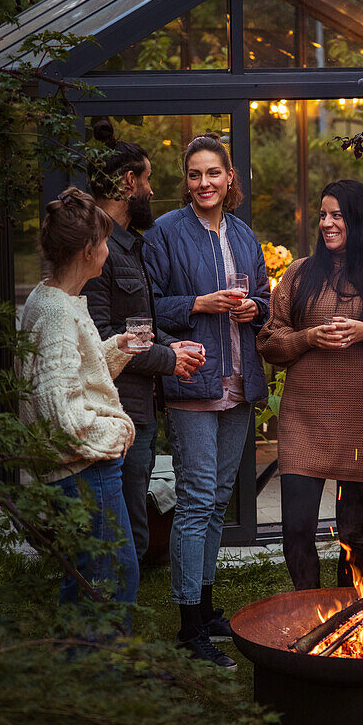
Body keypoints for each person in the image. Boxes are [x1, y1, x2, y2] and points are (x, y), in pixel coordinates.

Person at [144, 133, 270, 668]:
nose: (204, 184)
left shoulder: (244, 234)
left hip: (237, 385)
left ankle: (208, 603)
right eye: (195, 175)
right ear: (185, 179)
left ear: (229, 177)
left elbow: (262, 295)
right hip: (194, 382)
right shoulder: (164, 233)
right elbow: (147, 308)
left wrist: (254, 310)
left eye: (213, 174)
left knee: (218, 500)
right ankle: (188, 622)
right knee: (196, 501)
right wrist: (198, 302)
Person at [256, 179, 363, 591]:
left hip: (361, 420)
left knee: (354, 535)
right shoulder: (300, 273)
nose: (327, 223)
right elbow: (270, 344)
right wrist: (308, 338)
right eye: (323, 214)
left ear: (358, 221)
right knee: (297, 529)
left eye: (337, 215)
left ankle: (348, 619)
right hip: (305, 420)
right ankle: (310, 612)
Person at [83, 118, 204, 565]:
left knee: (129, 525)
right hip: (115, 412)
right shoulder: (96, 250)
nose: (152, 191)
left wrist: (175, 346)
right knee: (121, 536)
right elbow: (100, 339)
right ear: (128, 181)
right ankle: (114, 627)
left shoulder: (129, 246)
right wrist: (167, 359)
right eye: (147, 179)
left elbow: (139, 324)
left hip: (138, 410)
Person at [19, 186, 140, 614]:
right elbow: (59, 411)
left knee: (87, 579)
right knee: (115, 579)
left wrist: (117, 348)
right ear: (89, 251)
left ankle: (77, 667)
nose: (109, 248)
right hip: (84, 470)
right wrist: (117, 430)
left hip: (77, 468)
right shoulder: (55, 312)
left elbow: (72, 377)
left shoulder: (56, 297)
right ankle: (102, 675)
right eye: (105, 241)